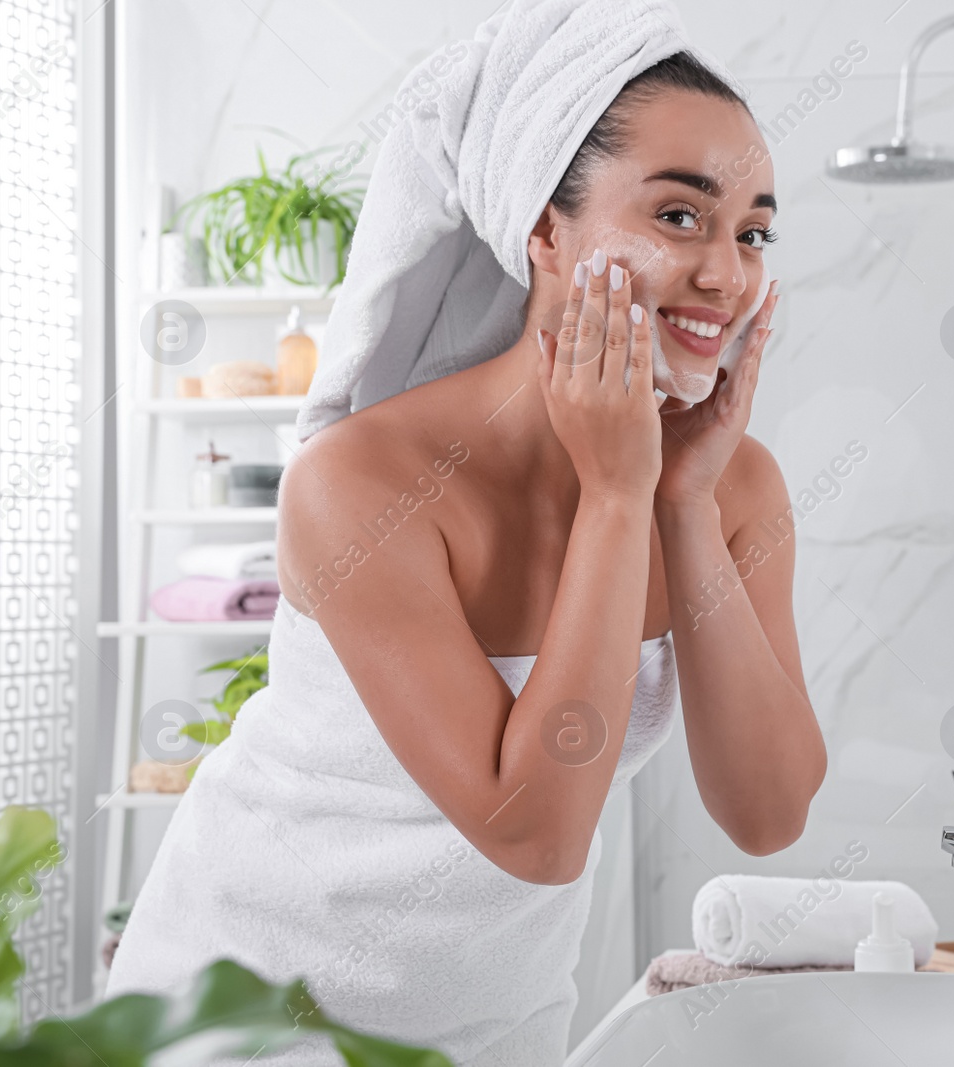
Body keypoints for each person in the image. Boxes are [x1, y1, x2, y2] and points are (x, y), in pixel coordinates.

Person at [103, 45, 825, 1067]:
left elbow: (768, 810)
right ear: (543, 228)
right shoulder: (363, 480)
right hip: (242, 1014)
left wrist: (682, 502)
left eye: (752, 231)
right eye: (678, 216)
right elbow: (535, 835)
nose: (727, 272)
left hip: (492, 1031)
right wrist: (617, 496)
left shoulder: (727, 483)